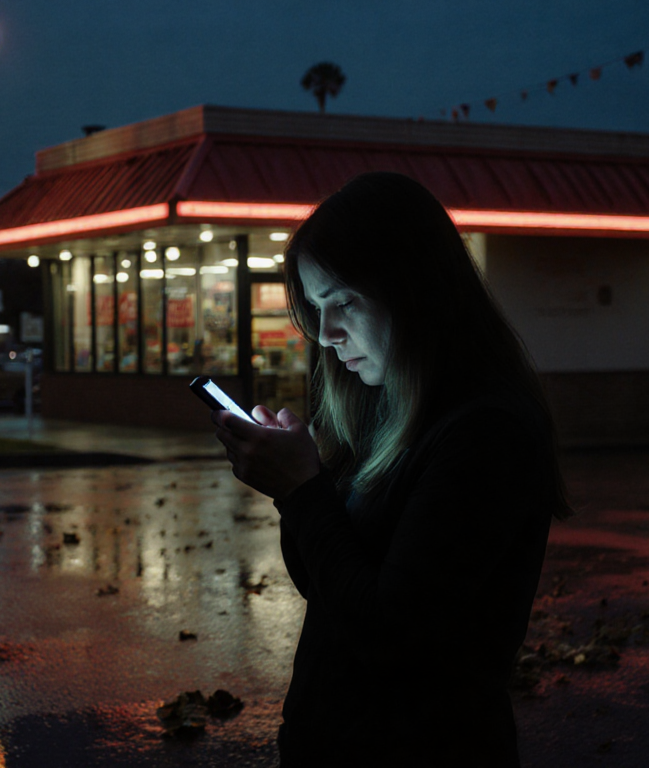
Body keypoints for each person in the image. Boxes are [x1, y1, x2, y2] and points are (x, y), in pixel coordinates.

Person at [211, 172, 572, 767]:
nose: (326, 336)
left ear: (415, 290)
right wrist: (297, 485)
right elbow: (329, 591)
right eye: (318, 309)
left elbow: (391, 631)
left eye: (344, 302)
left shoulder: (485, 433)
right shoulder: (384, 413)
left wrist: (302, 490)